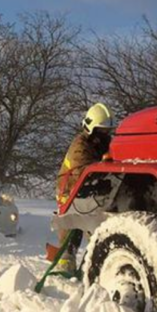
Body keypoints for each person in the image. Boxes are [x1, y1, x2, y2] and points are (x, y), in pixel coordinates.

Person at [54, 103, 115, 273]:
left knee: (93, 228)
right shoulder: (80, 146)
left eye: (107, 131)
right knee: (71, 228)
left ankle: (91, 264)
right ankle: (64, 265)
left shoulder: (103, 144)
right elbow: (83, 170)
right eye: (101, 131)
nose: (104, 135)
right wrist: (105, 166)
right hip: (69, 190)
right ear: (90, 128)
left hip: (89, 192)